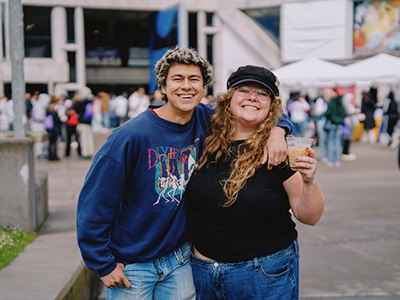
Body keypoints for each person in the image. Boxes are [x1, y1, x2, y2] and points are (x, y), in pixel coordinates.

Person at [77, 47, 293, 300]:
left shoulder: (206, 119)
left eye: (194, 80)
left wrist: (279, 131)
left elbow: (261, 108)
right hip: (133, 266)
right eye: (177, 79)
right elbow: (95, 202)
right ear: (163, 87)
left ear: (204, 88)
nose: (186, 86)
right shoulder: (130, 136)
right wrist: (102, 264)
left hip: (180, 260)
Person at [185, 65, 325, 300]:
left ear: (272, 105)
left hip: (263, 276)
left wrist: (309, 180)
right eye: (244, 90)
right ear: (229, 99)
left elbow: (309, 216)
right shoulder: (204, 139)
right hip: (203, 274)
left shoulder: (281, 150)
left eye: (262, 93)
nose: (252, 97)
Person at [325, 88, 346, 167]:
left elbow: (328, 112)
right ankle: (337, 160)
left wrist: (332, 117)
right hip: (339, 123)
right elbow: (344, 113)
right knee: (337, 142)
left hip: (332, 123)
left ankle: (331, 160)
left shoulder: (332, 101)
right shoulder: (340, 101)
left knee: (330, 142)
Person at [341, 93, 360, 161]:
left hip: (350, 121)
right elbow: (349, 111)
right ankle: (345, 152)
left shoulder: (348, 104)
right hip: (348, 122)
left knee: (348, 138)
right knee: (347, 138)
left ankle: (346, 152)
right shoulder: (346, 104)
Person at [313, 90, 330, 163]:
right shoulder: (320, 100)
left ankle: (330, 155)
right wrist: (326, 108)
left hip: (329, 122)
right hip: (322, 121)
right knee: (323, 139)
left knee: (330, 139)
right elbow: (317, 112)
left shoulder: (331, 101)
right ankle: (324, 155)